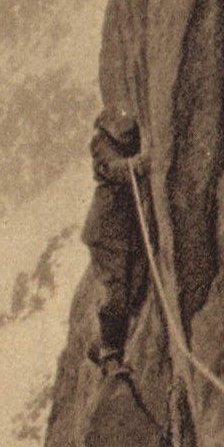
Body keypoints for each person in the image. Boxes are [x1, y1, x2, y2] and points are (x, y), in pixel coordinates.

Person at [81, 108, 147, 371]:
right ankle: (109, 354)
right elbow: (111, 168)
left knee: (134, 287)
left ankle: (101, 344)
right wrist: (136, 165)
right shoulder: (101, 143)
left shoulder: (114, 141)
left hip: (122, 229)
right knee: (117, 290)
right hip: (106, 232)